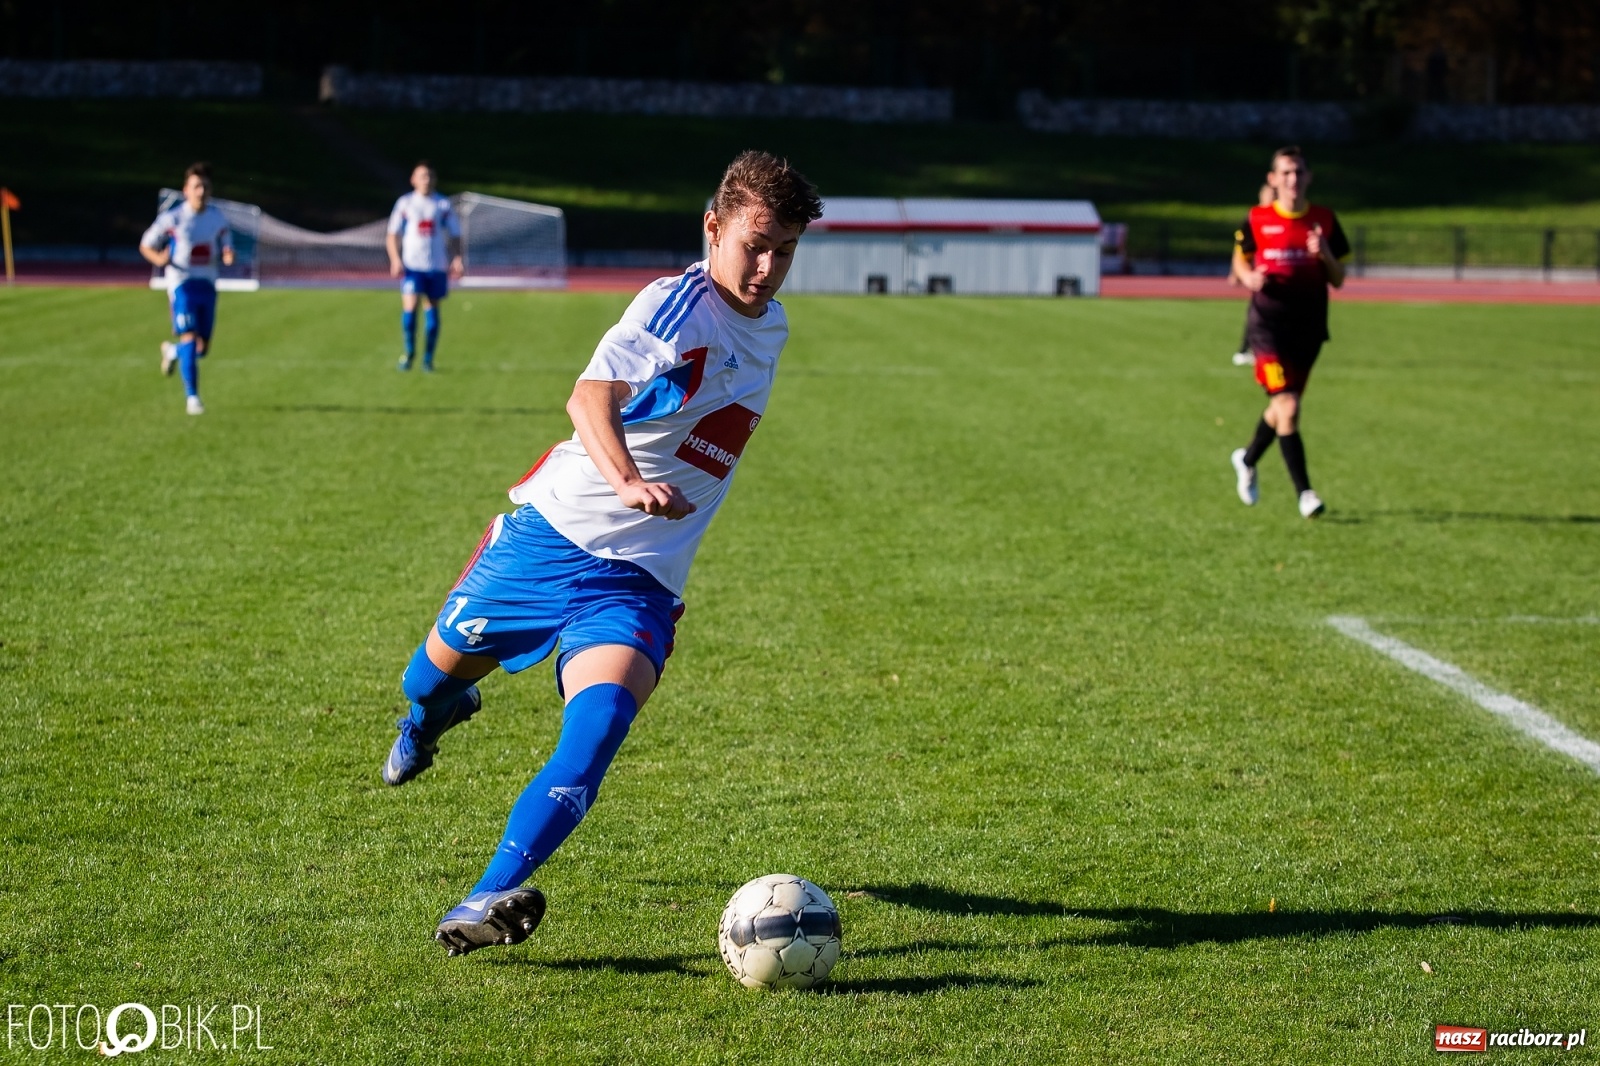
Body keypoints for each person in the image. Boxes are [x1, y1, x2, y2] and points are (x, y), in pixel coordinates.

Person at [382, 150, 824, 956]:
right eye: (754, 244)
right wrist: (626, 480)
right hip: (548, 542)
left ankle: (485, 898)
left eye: (785, 249)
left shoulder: (775, 326)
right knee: (425, 680)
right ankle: (430, 717)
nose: (767, 268)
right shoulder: (675, 307)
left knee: (599, 724)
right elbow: (590, 396)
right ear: (712, 227)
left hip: (639, 581)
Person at [1229, 146, 1349, 519]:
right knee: (1290, 407)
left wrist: (1325, 253)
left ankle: (1247, 459)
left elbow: (1339, 280)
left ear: (1308, 177)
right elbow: (1240, 256)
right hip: (1267, 329)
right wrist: (1249, 277)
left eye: (1298, 172)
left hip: (1309, 328)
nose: (1292, 179)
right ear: (1273, 179)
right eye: (1285, 173)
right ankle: (1306, 493)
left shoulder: (1325, 220)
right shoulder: (1258, 218)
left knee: (1281, 409)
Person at [139, 163, 234, 415]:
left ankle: (172, 351)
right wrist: (159, 259)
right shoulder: (173, 219)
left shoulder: (217, 218)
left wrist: (227, 253)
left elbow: (226, 243)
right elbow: (146, 244)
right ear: (185, 190)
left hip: (208, 284)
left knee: (201, 349)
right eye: (196, 186)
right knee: (190, 339)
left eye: (205, 186)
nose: (201, 191)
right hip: (182, 285)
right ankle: (192, 398)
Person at [386, 162, 463, 372]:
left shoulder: (442, 204)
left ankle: (428, 359)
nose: (426, 180)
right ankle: (410, 352)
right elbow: (392, 234)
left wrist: (457, 258)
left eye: (430, 176)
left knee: (432, 313)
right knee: (410, 308)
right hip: (412, 266)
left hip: (436, 266)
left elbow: (455, 234)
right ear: (413, 180)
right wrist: (395, 258)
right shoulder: (406, 203)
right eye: (422, 176)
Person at [1228, 183, 1277, 365]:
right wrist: (1238, 273)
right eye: (1269, 195)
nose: (1272, 199)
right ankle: (1246, 350)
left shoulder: (1281, 218)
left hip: (1276, 275)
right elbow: (1241, 249)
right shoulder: (1254, 218)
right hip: (1258, 275)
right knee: (1257, 313)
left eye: (1274, 195)